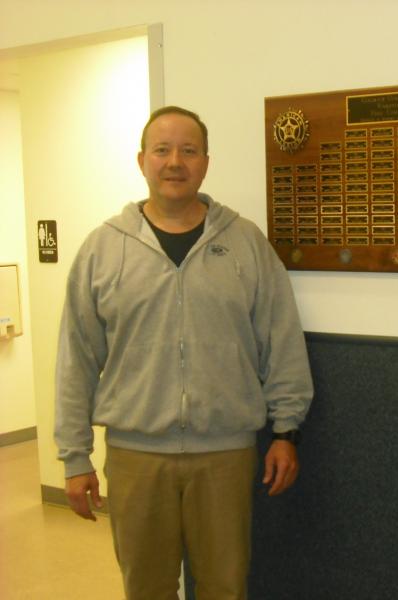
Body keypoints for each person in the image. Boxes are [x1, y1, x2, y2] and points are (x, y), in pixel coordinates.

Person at [55, 105, 313, 600]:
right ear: (142, 161)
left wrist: (287, 431)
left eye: (189, 151)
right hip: (136, 456)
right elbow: (76, 360)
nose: (175, 162)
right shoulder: (103, 249)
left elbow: (281, 340)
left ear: (206, 163)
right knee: (146, 589)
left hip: (225, 454)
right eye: (162, 150)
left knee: (225, 587)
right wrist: (74, 456)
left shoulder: (245, 244)